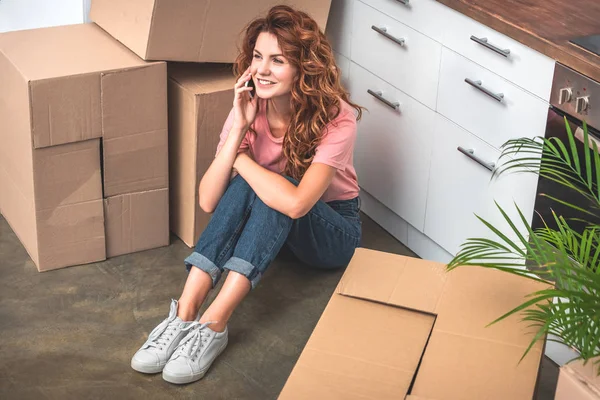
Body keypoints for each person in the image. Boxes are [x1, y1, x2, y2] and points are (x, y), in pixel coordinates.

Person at [130, 5, 364, 385]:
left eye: (278, 60)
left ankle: (214, 322)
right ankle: (184, 314)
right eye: (257, 57)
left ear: (304, 67)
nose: (262, 70)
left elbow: (299, 203)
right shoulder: (249, 105)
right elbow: (207, 200)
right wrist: (239, 125)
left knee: (275, 185)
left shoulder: (337, 117)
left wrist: (239, 159)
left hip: (332, 233)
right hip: (276, 229)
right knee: (254, 183)